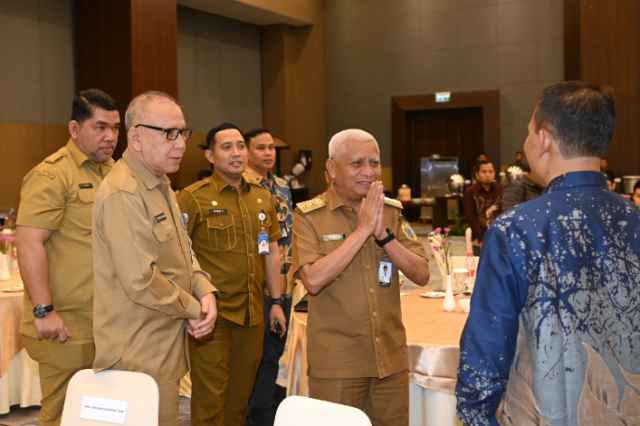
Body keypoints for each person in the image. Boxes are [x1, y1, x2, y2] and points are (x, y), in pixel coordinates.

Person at [456, 81, 640, 425]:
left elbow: (484, 359)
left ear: (543, 138)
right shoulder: (634, 221)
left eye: (528, 130)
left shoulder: (516, 230)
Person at [92, 91, 217, 426]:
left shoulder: (159, 183)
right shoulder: (123, 192)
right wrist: (194, 308)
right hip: (136, 355)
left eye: (183, 133)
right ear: (136, 137)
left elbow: (182, 249)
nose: (180, 144)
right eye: (169, 134)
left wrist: (203, 289)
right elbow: (141, 279)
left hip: (162, 347)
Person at [290, 129, 430, 426]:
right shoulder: (309, 216)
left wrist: (385, 237)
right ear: (331, 169)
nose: (369, 171)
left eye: (374, 163)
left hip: (390, 361)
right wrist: (363, 230)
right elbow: (313, 280)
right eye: (357, 164)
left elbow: (421, 273)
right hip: (338, 365)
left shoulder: (390, 212)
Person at [15, 89, 119, 426]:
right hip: (66, 326)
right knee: (62, 415)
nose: (110, 136)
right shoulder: (52, 175)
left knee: (100, 415)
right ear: (74, 129)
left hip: (106, 322)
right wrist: (44, 311)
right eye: (100, 127)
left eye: (115, 128)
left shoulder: (114, 173)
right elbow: (29, 243)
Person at [177, 123, 287, 426]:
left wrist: (276, 301)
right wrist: (187, 306)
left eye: (240, 146)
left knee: (240, 401)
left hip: (253, 314)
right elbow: (178, 256)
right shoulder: (192, 198)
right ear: (210, 156)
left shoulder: (262, 198)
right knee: (210, 401)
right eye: (227, 147)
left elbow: (271, 251)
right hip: (213, 318)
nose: (236, 153)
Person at [243, 128, 294, 426]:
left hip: (285, 283)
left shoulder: (282, 186)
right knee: (258, 357)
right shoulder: (243, 186)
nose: (268, 153)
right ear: (246, 151)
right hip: (257, 286)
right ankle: (255, 416)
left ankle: (273, 413)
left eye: (271, 148)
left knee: (278, 355)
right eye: (260, 148)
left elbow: (289, 233)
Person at [463, 160, 503, 247]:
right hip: (479, 237)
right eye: (484, 172)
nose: (488, 175)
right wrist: (481, 238)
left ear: (494, 173)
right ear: (477, 174)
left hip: (499, 235)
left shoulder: (500, 189)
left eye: (490, 172)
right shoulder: (470, 192)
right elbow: (471, 217)